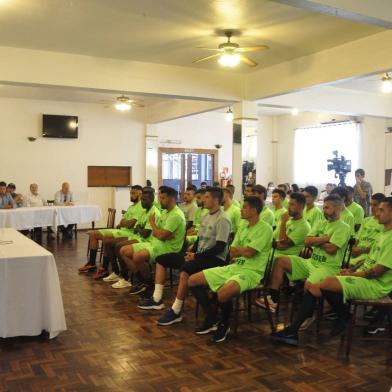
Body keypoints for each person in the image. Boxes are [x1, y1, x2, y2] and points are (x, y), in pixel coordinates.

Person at [272, 196, 392, 346]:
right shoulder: (383, 234)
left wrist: (352, 273)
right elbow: (368, 261)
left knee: (323, 283)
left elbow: (377, 271)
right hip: (361, 275)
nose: (376, 213)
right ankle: (293, 330)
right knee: (315, 286)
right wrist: (351, 268)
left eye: (381, 210)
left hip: (376, 285)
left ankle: (343, 316)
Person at [138, 187, 231, 327]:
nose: (203, 200)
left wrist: (196, 256)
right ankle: (157, 298)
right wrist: (191, 252)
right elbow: (200, 240)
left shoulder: (223, 218)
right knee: (161, 259)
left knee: (185, 270)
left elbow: (220, 247)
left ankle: (176, 310)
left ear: (216, 199)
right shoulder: (206, 215)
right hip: (199, 255)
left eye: (207, 197)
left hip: (215, 259)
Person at [188, 196, 273, 343]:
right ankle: (212, 318)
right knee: (192, 280)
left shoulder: (265, 228)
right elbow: (232, 251)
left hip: (251, 272)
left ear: (253, 210)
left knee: (223, 293)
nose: (241, 209)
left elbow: (250, 253)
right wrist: (242, 250)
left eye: (244, 207)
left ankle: (224, 324)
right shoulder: (243, 226)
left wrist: (242, 250)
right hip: (234, 267)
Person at [259, 195, 351, 314]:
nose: (324, 210)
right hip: (311, 262)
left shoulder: (343, 227)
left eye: (327, 208)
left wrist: (316, 241)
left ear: (338, 208)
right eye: (323, 207)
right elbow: (307, 241)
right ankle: (273, 299)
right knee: (280, 261)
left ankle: (308, 315)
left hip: (328, 266)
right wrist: (325, 239)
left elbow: (332, 249)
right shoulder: (320, 222)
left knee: (309, 284)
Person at [120, 186, 186, 296]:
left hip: (168, 248)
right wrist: (159, 232)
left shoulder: (176, 215)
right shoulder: (165, 212)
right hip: (156, 243)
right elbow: (158, 233)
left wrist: (153, 224)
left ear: (172, 199)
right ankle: (143, 281)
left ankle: (148, 284)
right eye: (160, 198)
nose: (160, 201)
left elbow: (160, 234)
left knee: (137, 256)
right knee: (123, 251)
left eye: (163, 198)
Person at [95, 189, 161, 281]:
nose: (142, 202)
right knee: (108, 242)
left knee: (118, 246)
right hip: (137, 236)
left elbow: (145, 234)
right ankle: (116, 272)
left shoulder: (154, 213)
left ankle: (125, 277)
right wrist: (139, 228)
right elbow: (136, 229)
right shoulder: (144, 211)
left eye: (144, 200)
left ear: (151, 200)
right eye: (141, 199)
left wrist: (139, 228)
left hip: (145, 240)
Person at [78, 185, 144, 273]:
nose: (131, 195)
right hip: (122, 230)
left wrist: (124, 223)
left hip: (129, 233)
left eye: (133, 193)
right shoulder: (131, 207)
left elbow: (131, 224)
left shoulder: (140, 207)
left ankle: (104, 267)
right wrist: (124, 223)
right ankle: (91, 263)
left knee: (107, 237)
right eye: (130, 193)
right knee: (93, 234)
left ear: (140, 194)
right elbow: (122, 221)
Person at [349, 193, 385, 267]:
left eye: (375, 205)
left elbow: (377, 247)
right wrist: (353, 248)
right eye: (371, 204)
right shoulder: (366, 220)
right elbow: (358, 238)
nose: (372, 207)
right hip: (356, 251)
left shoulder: (384, 223)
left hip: (367, 253)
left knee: (349, 265)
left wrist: (360, 251)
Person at [271, 193, 310, 257]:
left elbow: (281, 245)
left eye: (292, 204)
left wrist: (283, 222)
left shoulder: (304, 226)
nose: (288, 207)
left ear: (302, 206)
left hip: (282, 257)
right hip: (271, 253)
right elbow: (274, 236)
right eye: (289, 204)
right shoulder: (289, 220)